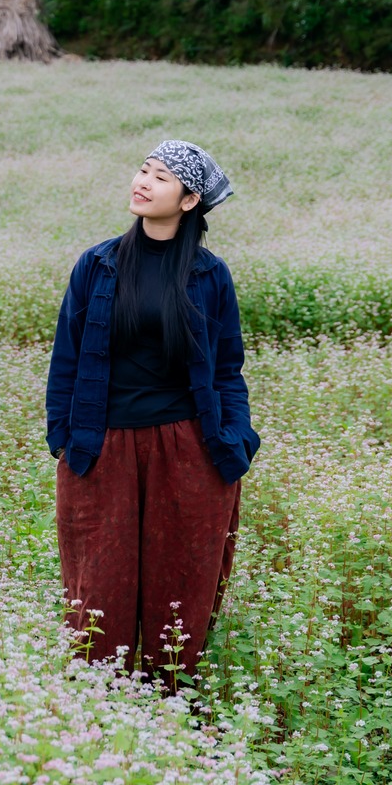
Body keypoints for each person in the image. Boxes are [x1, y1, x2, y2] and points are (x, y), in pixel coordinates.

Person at [44, 139, 258, 687]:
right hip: (102, 446)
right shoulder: (97, 265)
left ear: (189, 200)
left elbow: (227, 368)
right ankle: (98, 700)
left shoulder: (210, 275)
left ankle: (171, 699)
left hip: (188, 449)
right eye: (143, 170)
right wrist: (62, 437)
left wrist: (238, 438)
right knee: (98, 587)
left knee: (181, 585)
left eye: (161, 177)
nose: (143, 182)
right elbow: (66, 357)